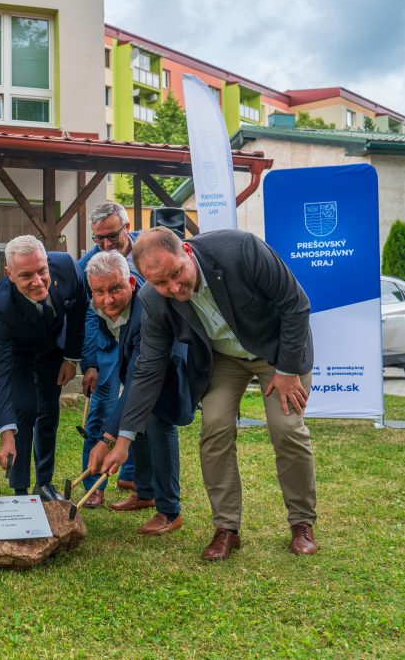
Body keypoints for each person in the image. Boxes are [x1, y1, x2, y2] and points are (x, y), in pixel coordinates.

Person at [91, 227, 319, 560]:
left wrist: (287, 371)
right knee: (214, 428)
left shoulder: (241, 249)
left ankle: (302, 523)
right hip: (223, 358)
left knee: (286, 429)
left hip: (277, 351)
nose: (174, 289)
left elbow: (295, 304)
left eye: (176, 275)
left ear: (186, 250)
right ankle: (227, 528)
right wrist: (122, 439)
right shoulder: (154, 300)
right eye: (160, 284)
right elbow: (149, 369)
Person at [85, 251, 193, 535]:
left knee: (157, 422)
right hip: (141, 369)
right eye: (99, 291)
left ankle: (170, 511)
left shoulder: (147, 311)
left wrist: (108, 439)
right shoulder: (99, 307)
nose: (107, 299)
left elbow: (138, 381)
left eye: (115, 289)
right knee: (138, 425)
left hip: (171, 365)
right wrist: (112, 438)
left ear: (131, 282)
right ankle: (145, 492)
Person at [0, 235, 86, 501]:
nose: (37, 281)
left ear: (48, 262)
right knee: (23, 409)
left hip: (52, 348)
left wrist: (71, 357)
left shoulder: (66, 266)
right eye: (26, 275)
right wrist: (6, 433)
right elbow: (1, 375)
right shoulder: (1, 309)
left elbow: (79, 308)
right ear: (9, 274)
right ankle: (19, 488)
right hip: (19, 353)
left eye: (42, 270)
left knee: (48, 409)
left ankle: (44, 483)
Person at [77, 202, 144, 500]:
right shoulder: (87, 264)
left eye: (111, 236)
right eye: (98, 238)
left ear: (127, 228)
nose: (105, 244)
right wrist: (89, 362)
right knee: (102, 412)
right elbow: (88, 314)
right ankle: (94, 486)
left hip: (142, 342)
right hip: (107, 348)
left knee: (140, 408)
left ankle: (131, 476)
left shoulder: (148, 249)